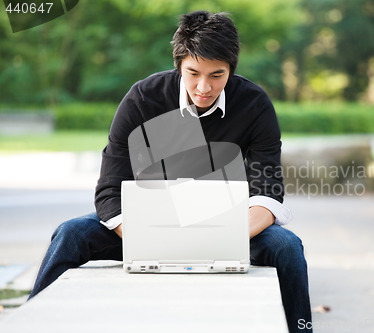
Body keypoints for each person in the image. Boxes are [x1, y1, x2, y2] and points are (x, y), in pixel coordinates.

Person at [29, 11, 312, 333]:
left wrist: (221, 239)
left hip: (225, 228)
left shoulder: (254, 104)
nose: (204, 87)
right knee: (71, 233)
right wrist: (152, 240)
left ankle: (301, 330)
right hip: (145, 228)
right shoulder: (142, 99)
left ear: (232, 68)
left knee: (287, 247)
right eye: (193, 73)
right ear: (179, 65)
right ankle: (32, 324)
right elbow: (110, 190)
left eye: (217, 75)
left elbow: (267, 190)